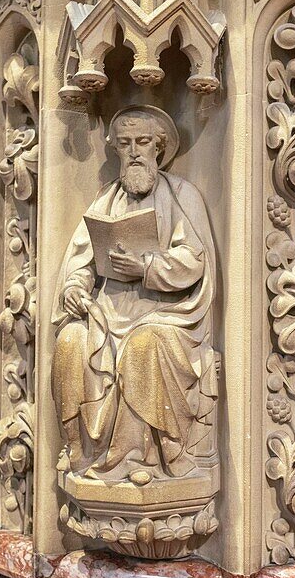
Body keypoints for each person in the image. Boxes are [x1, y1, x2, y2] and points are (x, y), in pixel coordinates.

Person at [51, 105, 217, 486]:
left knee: (143, 346)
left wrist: (146, 267)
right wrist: (75, 289)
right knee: (71, 340)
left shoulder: (180, 196)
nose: (135, 151)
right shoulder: (106, 201)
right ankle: (78, 451)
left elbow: (195, 260)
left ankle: (141, 457)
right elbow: (80, 260)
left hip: (168, 315)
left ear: (159, 147)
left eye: (143, 142)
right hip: (107, 314)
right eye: (125, 144)